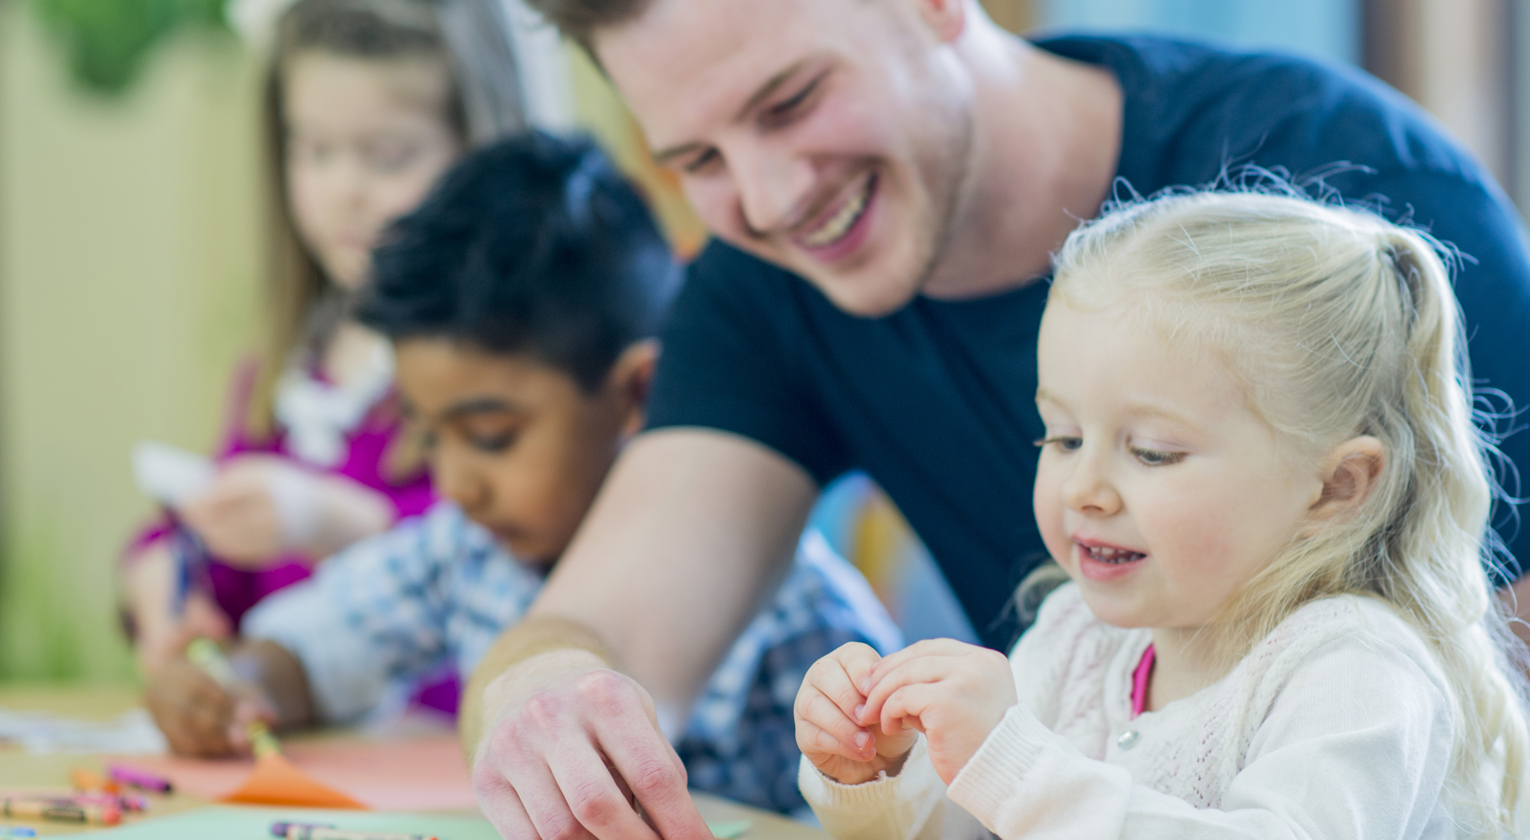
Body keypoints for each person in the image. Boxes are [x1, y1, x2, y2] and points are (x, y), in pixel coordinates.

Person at [462, 1, 1530, 837]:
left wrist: (1015, 765)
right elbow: (596, 629)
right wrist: (551, 703)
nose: (770, 197)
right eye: (696, 161)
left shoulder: (1365, 200)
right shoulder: (1074, 634)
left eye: (791, 100)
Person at [141, 133, 902, 816]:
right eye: (428, 436)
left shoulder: (798, 614)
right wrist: (235, 687)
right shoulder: (464, 551)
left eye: (491, 437)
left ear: (637, 394)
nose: (456, 483)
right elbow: (321, 647)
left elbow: (899, 802)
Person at [794, 189, 1530, 839]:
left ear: (1336, 487)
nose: (1085, 488)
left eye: (1152, 452)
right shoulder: (1077, 639)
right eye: (1063, 438)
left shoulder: (1358, 672)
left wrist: (1014, 765)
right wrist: (876, 773)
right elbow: (976, 826)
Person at [120, 0, 528, 678]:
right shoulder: (292, 365)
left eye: (390, 157)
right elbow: (219, 556)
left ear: (481, 153)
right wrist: (166, 578)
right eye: (313, 151)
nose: (343, 191)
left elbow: (519, 578)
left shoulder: (517, 370)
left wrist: (337, 524)